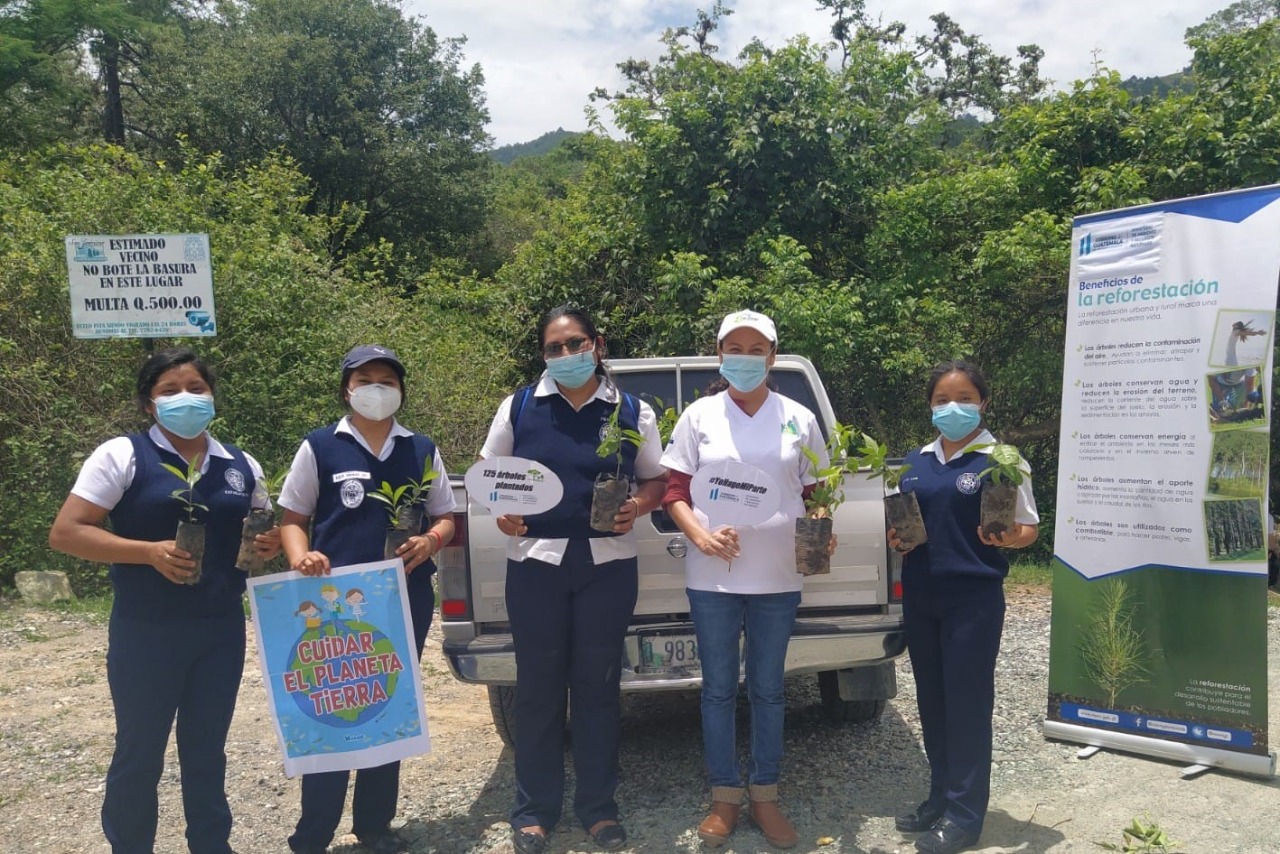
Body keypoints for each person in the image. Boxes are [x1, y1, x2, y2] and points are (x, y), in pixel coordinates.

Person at [48, 348, 279, 854]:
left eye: (196, 387)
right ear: (149, 405)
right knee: (140, 750)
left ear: (213, 396)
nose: (186, 398)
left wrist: (270, 543)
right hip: (146, 631)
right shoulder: (123, 455)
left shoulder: (241, 465)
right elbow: (66, 533)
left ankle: (212, 846)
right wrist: (146, 552)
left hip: (220, 630)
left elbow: (264, 532)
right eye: (169, 390)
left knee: (207, 750)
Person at [479, 305, 666, 854]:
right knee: (536, 692)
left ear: (597, 344)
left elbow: (656, 480)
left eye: (575, 343)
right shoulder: (518, 407)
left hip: (607, 566)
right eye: (554, 347)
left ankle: (598, 809)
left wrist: (638, 503)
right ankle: (534, 812)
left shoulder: (633, 411)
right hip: (535, 564)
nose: (565, 355)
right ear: (544, 354)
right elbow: (492, 477)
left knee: (598, 689)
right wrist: (501, 513)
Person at [660, 310, 830, 850]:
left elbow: (817, 491)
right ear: (719, 354)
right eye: (734, 347)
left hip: (779, 574)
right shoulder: (699, 416)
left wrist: (823, 525)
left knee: (769, 689)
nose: (745, 357)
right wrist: (701, 538)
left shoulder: (798, 418)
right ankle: (724, 795)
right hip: (713, 575)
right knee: (716, 690)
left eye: (756, 349)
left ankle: (766, 793)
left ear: (772, 356)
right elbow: (673, 492)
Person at [278, 344, 456, 854]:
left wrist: (431, 540)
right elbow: (293, 519)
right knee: (332, 704)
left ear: (400, 390)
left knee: (385, 707)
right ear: (346, 389)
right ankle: (313, 832)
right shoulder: (320, 447)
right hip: (332, 606)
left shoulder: (421, 449)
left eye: (387, 379)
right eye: (365, 379)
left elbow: (445, 515)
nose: (377, 388)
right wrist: (302, 556)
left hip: (402, 601)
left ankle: (375, 826)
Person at [888, 360, 1039, 854]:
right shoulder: (915, 462)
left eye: (965, 398)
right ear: (930, 406)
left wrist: (1009, 536)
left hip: (972, 598)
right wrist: (897, 539)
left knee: (968, 705)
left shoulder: (1002, 460)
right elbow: (905, 526)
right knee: (932, 702)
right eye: (942, 400)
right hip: (922, 593)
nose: (953, 408)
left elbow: (1028, 529)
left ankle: (966, 815)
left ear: (983, 403)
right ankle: (940, 797)